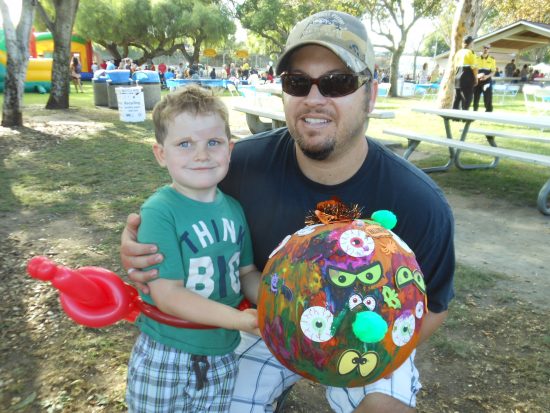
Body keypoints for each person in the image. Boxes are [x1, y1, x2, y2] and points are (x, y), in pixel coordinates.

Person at [121, 10, 455, 413]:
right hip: (267, 320)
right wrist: (139, 247)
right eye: (298, 82)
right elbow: (178, 217)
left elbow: (433, 306)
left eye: (338, 82)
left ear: (371, 95)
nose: (314, 98)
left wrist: (354, 352)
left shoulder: (419, 202)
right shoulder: (237, 165)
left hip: (367, 333)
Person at [125, 84, 261, 412]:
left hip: (222, 353)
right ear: (161, 154)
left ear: (229, 149)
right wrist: (242, 321)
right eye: (185, 144)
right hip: (166, 352)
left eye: (213, 143)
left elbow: (246, 273)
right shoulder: (159, 211)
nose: (201, 154)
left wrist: (276, 303)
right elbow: (168, 295)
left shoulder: (234, 209)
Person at [452, 35, 478, 110]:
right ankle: (464, 117)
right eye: (473, 42)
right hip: (467, 77)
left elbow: (454, 66)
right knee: (467, 98)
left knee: (457, 98)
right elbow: (474, 67)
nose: (473, 44)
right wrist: (476, 78)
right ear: (470, 43)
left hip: (457, 77)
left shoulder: (458, 53)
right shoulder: (471, 53)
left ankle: (454, 117)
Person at [473, 44, 496, 112]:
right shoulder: (477, 59)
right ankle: (475, 110)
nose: (486, 49)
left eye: (487, 48)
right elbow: (474, 70)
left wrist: (487, 76)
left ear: (489, 50)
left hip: (487, 81)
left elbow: (493, 72)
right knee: (476, 97)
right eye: (484, 48)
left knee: (488, 96)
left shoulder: (492, 59)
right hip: (478, 80)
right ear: (482, 48)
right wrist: (477, 75)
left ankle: (488, 111)